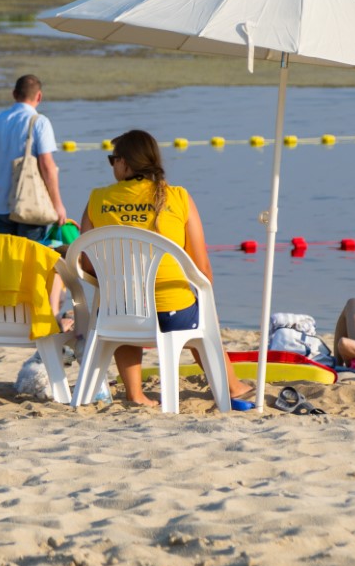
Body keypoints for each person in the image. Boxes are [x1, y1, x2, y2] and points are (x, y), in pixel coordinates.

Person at [77, 129, 255, 410]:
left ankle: (135, 394)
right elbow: (201, 264)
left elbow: (87, 264)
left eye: (113, 160)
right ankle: (232, 386)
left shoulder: (97, 199)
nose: (112, 166)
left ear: (125, 162)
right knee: (201, 315)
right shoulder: (178, 197)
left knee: (123, 302)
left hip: (118, 315)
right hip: (173, 315)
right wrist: (206, 302)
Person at [0, 74, 66, 242]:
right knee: (29, 263)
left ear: (14, 94)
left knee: (6, 261)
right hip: (31, 206)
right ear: (39, 96)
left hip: (1, 207)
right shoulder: (40, 122)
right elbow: (47, 165)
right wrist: (58, 204)